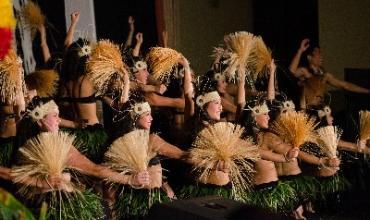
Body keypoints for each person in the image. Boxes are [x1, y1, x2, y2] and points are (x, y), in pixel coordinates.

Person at [289, 38, 370, 109]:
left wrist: (367, 91)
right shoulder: (304, 71)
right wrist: (300, 51)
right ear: (309, 57)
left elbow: (346, 85)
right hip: (305, 111)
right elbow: (290, 74)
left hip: (320, 111)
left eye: (321, 53)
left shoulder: (324, 75)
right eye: (318, 53)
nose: (321, 56)